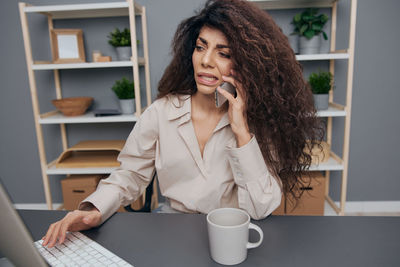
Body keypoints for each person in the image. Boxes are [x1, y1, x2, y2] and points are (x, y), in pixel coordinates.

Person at [42, 0, 323, 248]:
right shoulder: (161, 112)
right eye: (201, 47)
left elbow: (261, 208)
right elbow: (130, 175)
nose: (206, 61)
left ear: (246, 64)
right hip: (171, 231)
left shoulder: (257, 123)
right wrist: (94, 209)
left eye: (223, 53)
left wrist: (241, 131)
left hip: (232, 237)